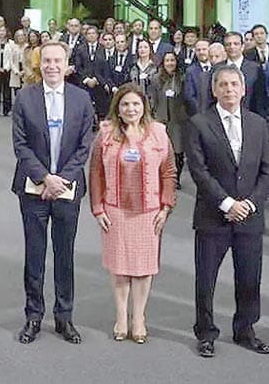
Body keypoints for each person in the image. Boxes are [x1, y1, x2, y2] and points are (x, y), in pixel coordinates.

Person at [185, 64, 269, 358]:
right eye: (223, 85)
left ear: (244, 89)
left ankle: (245, 329)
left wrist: (248, 204)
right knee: (206, 279)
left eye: (234, 84)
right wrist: (226, 203)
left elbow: (267, 171)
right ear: (214, 90)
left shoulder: (258, 124)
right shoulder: (199, 123)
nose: (229, 90)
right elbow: (198, 170)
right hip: (213, 215)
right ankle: (206, 332)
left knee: (250, 276)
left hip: (250, 215)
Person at [12, 41, 95, 345]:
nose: (51, 66)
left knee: (64, 255)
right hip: (33, 189)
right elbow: (20, 145)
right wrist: (45, 177)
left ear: (67, 64)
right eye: (46, 61)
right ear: (39, 64)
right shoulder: (24, 97)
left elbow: (85, 145)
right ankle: (33, 315)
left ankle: (64, 317)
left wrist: (61, 180)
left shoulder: (81, 99)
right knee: (34, 256)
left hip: (67, 190)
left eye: (57, 61)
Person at [89, 83, 176, 343]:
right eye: (125, 104)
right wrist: (97, 208)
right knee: (120, 268)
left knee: (143, 268)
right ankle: (120, 317)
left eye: (136, 104)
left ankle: (139, 318)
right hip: (115, 211)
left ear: (144, 107)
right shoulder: (105, 133)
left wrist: (166, 206)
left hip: (148, 212)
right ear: (118, 106)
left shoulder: (158, 133)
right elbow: (95, 172)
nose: (130, 109)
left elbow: (169, 172)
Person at [151, 52, 189, 187]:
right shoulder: (156, 78)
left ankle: (176, 178)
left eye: (172, 60)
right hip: (161, 118)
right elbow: (153, 98)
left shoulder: (182, 78)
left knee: (178, 151)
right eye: (167, 60)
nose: (170, 63)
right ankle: (161, 177)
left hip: (178, 119)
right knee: (161, 150)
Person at [75, 25, 112, 123]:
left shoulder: (103, 49)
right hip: (84, 84)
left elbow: (106, 67)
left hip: (99, 83)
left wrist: (97, 79)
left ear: (97, 35)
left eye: (93, 33)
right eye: (89, 34)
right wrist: (87, 79)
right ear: (86, 35)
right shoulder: (80, 49)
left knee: (101, 110)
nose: (91, 36)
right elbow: (78, 67)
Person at [183, 39, 214, 115]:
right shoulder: (190, 71)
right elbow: (189, 96)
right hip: (199, 114)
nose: (201, 52)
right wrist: (201, 113)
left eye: (204, 49)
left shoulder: (217, 68)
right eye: (198, 50)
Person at [10, 29, 28, 96]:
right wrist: (16, 71)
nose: (20, 37)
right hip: (16, 72)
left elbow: (30, 61)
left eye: (22, 35)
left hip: (26, 72)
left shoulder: (28, 47)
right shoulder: (13, 47)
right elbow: (11, 61)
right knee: (17, 94)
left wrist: (24, 71)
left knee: (26, 94)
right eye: (18, 36)